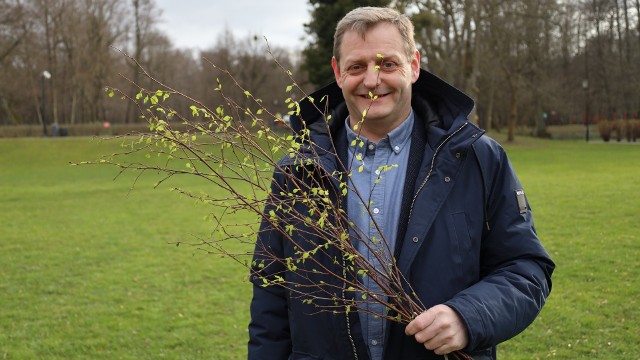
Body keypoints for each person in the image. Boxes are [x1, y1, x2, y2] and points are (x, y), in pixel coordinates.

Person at [248, 6, 554, 360]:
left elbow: (526, 268)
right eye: (357, 66)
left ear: (414, 65)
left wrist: (467, 317)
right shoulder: (298, 171)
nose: (372, 80)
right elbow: (270, 292)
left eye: (387, 64)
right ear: (337, 71)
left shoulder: (477, 159)